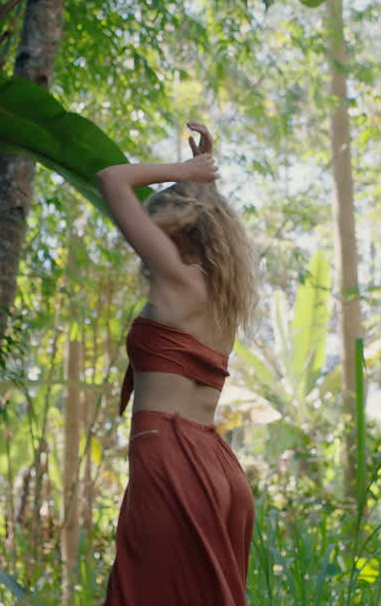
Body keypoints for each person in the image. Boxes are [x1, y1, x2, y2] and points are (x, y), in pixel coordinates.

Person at [96, 122, 256, 606]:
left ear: (174, 228)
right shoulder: (221, 299)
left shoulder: (176, 278)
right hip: (218, 467)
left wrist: (182, 171)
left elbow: (111, 179)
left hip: (170, 462)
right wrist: (199, 183)